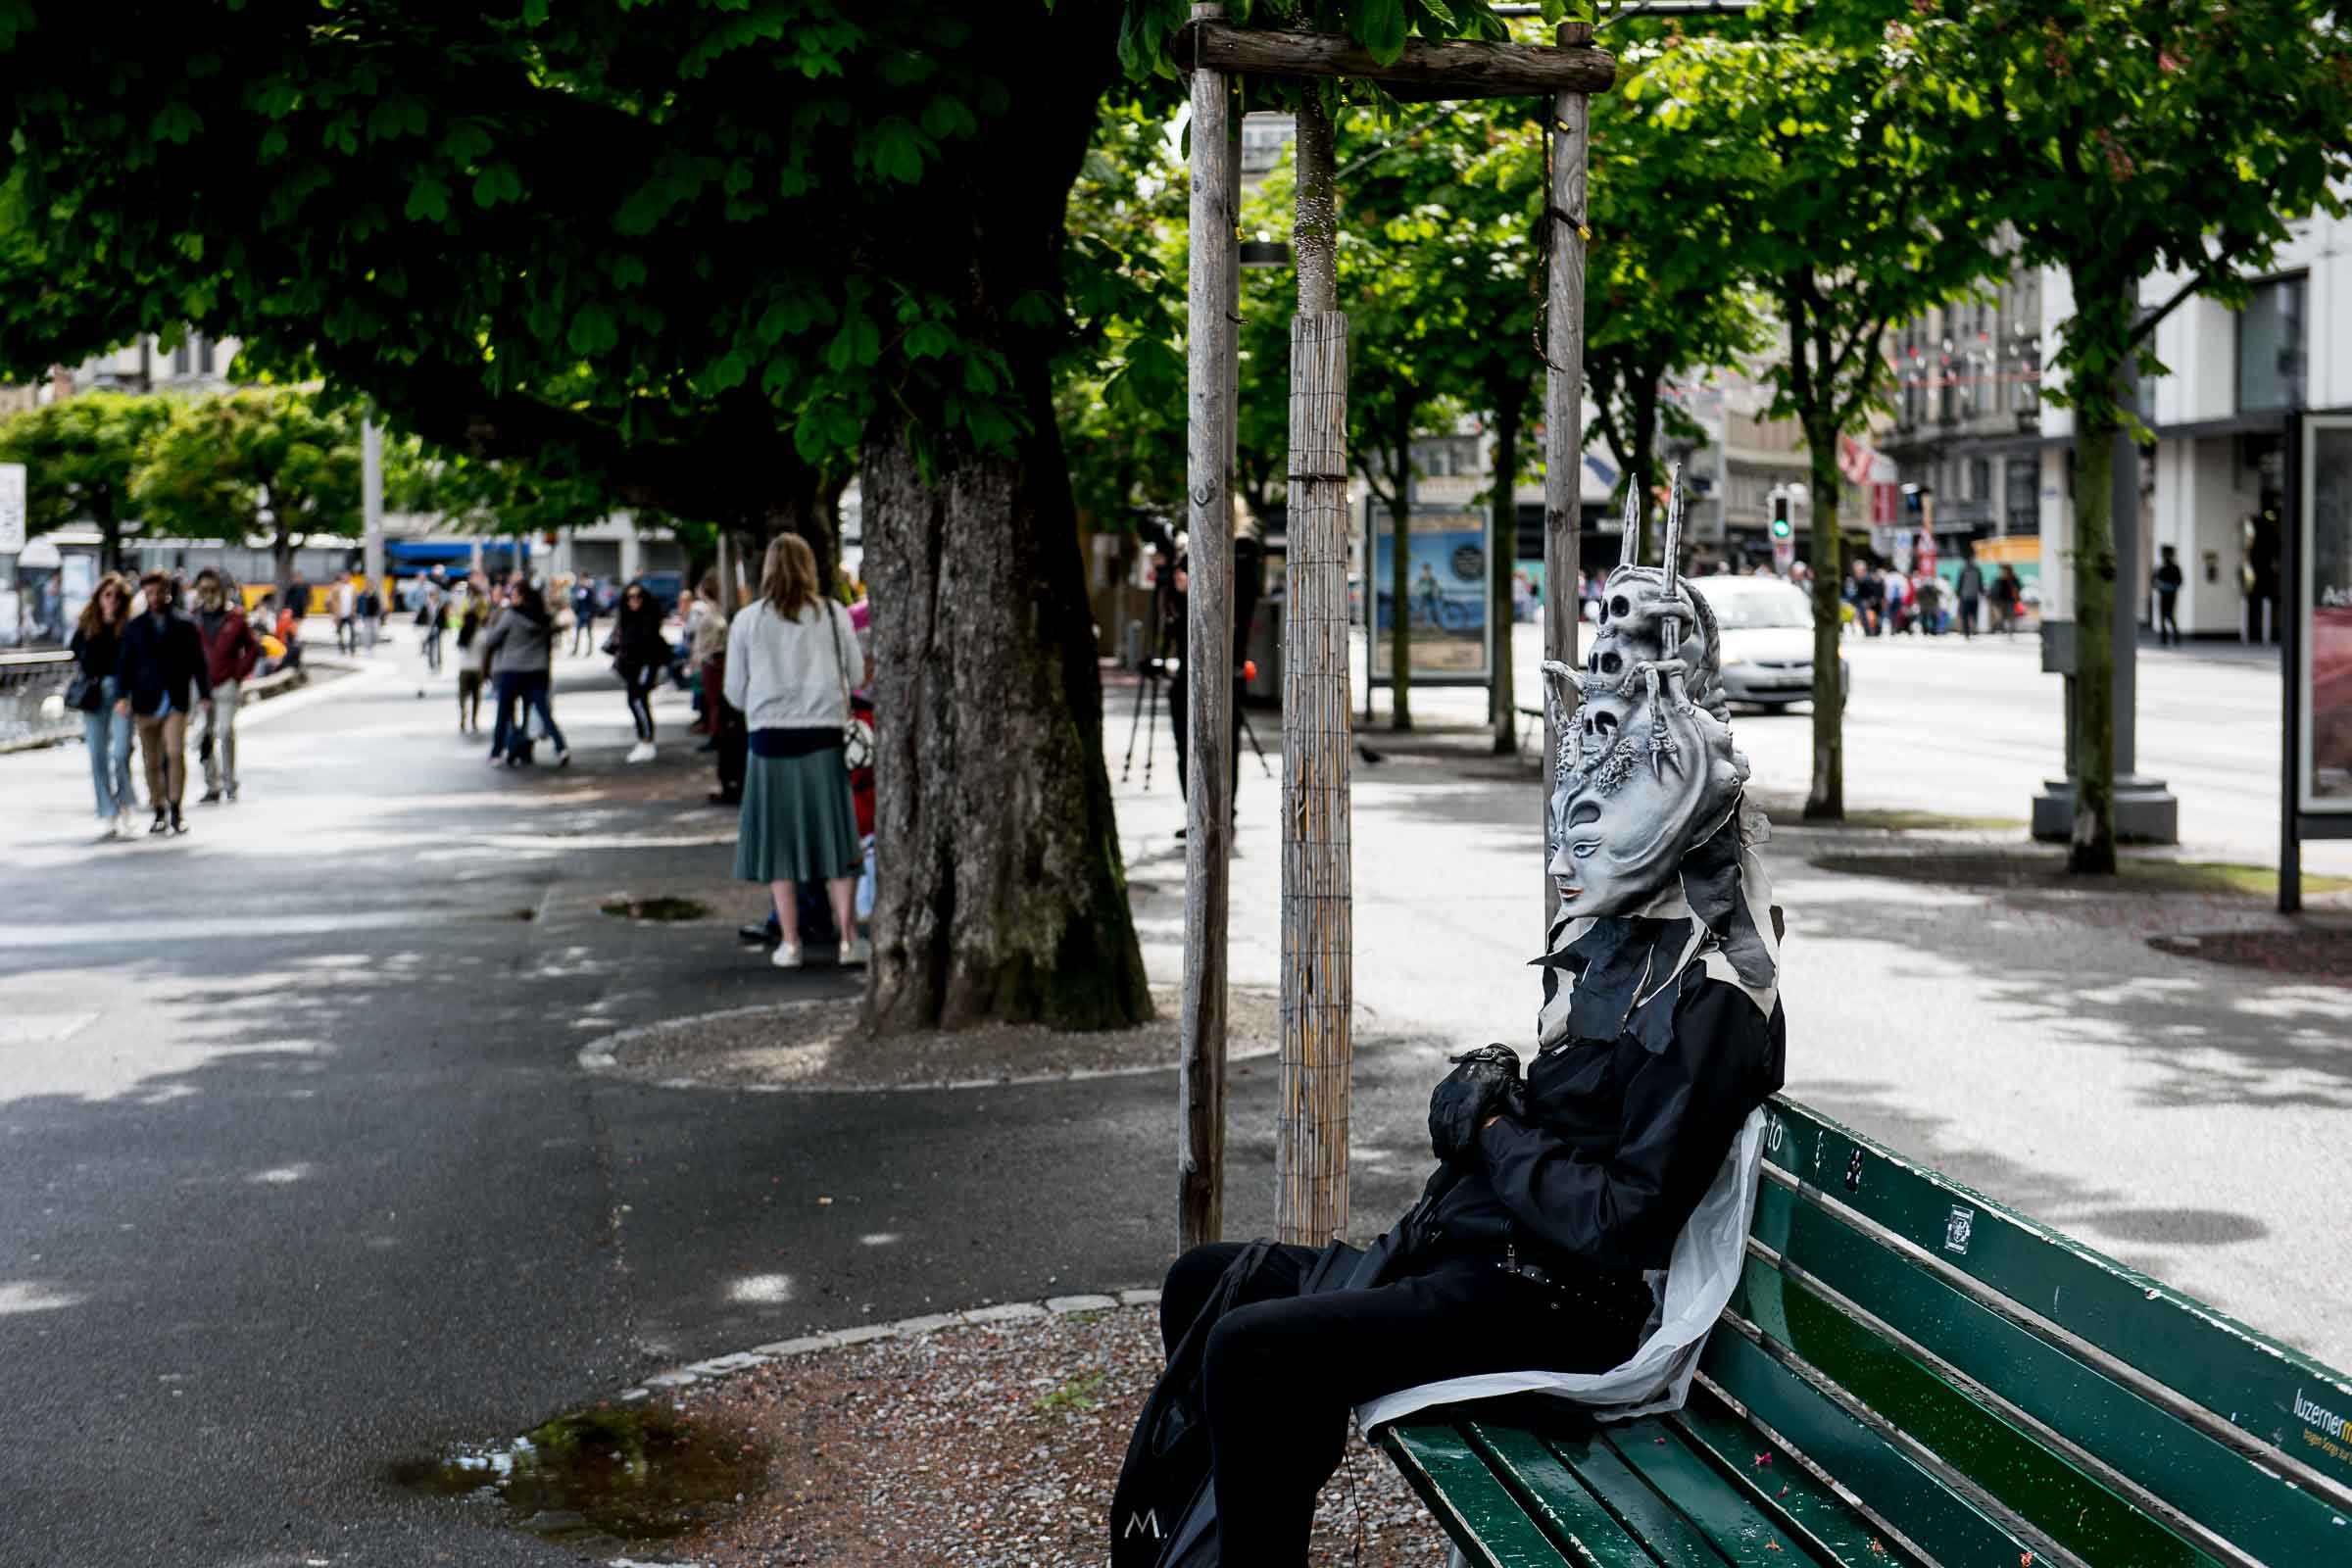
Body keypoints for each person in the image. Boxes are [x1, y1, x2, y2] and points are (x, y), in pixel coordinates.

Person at [1131, 479, 1784, 1564]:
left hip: (1555, 1304)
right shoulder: (1626, 939)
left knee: (1252, 1349)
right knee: (1205, 1284)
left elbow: (1622, 1218)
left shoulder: (1713, 991)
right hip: (1484, 1254)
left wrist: (1490, 1129)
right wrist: (1495, 1099)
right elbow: (1571, 1121)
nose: (1571, 838)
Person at [724, 534, 868, 970]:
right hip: (823, 736)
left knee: (778, 846)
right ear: (810, 567)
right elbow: (857, 675)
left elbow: (734, 691)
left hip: (769, 740)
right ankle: (847, 940)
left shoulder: (748, 621)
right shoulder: (831, 614)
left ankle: (790, 943)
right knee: (837, 841)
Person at [116, 570, 213, 836]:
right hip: (145, 700)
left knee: (174, 753)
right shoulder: (135, 627)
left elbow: (198, 662)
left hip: (175, 700)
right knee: (151, 759)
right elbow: (124, 664)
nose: (154, 597)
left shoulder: (185, 624)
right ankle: (158, 808)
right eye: (149, 593)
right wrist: (122, 696)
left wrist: (205, 694)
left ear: (168, 592)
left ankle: (176, 809)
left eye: (158, 592)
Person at [70, 571, 139, 837]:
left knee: (121, 752)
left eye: (117, 596)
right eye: (107, 595)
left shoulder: (129, 627)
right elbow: (77, 654)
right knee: (96, 755)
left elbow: (133, 662)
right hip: (95, 693)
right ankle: (107, 810)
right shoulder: (87, 625)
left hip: (121, 694)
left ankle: (127, 803)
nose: (112, 600)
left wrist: (127, 695)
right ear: (99, 597)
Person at [190, 567, 261, 805]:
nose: (208, 595)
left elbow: (253, 648)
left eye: (213, 590)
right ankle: (212, 784)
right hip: (201, 685)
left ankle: (230, 782)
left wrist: (239, 673)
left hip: (227, 682)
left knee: (225, 731)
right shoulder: (194, 618)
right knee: (203, 735)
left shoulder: (236, 618)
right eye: (204, 590)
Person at [483, 579, 567, 766]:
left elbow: (493, 638)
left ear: (522, 597)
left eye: (514, 595)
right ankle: (559, 747)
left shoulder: (510, 615)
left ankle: (497, 752)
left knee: (504, 714)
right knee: (540, 712)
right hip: (536, 671)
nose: (511, 598)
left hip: (511, 670)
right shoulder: (543, 617)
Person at [693, 570, 745, 806]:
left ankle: (716, 736)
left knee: (718, 708)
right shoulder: (717, 613)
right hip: (714, 664)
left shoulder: (714, 615)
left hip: (715, 664)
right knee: (717, 708)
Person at [612, 578, 668, 763]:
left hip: (644, 666)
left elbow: (650, 646)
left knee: (638, 700)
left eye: (637, 597)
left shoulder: (649, 619)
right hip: (631, 667)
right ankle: (644, 739)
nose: (634, 601)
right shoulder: (627, 619)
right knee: (635, 701)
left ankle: (647, 740)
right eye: (630, 597)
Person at [454, 581, 490, 734]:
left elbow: (458, 647)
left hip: (464, 668)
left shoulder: (463, 635)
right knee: (476, 696)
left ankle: (463, 718)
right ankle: (474, 720)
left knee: (463, 696)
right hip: (477, 669)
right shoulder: (481, 634)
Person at [2153, 545, 2184, 646]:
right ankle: (2164, 638)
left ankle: (2176, 636)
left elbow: (2179, 581)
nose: (2164, 556)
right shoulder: (2160, 567)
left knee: (2169, 615)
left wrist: (2170, 586)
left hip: (2171, 594)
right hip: (2163, 594)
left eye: (2166, 554)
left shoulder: (2175, 568)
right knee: (2163, 616)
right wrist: (2159, 585)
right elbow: (2153, 581)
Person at [418, 572, 448, 673]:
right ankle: (431, 666)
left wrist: (445, 628)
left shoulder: (440, 606)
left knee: (438, 647)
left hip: (437, 628)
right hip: (428, 629)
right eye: (432, 596)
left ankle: (439, 665)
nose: (434, 597)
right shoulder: (426, 606)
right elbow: (421, 617)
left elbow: (444, 618)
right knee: (430, 647)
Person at [1954, 551, 1984, 640]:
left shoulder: (1963, 570)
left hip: (1965, 596)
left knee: (1965, 615)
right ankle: (1972, 630)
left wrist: (1958, 593)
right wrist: (1981, 592)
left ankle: (1967, 632)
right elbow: (1980, 584)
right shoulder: (1977, 570)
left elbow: (1960, 583)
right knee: (1973, 614)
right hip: (1973, 596)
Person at [571, 574, 600, 658]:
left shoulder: (590, 590)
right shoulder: (579, 590)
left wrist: (592, 614)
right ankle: (575, 649)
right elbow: (577, 602)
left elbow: (593, 603)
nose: (582, 582)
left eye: (583, 580)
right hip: (580, 614)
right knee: (577, 632)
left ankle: (589, 650)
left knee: (589, 633)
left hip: (588, 614)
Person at [1990, 564, 2022, 636]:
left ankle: (2009, 631)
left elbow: (2018, 588)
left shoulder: (2013, 579)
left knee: (2010, 616)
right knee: (2001, 617)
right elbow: (1994, 590)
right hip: (2000, 601)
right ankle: (2001, 629)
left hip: (2010, 600)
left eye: (2005, 570)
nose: (2003, 572)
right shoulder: (1998, 579)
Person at [356, 578, 382, 654]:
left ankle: (372, 644)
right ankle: (368, 648)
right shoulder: (362, 595)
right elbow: (358, 605)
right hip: (366, 617)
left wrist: (381, 614)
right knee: (367, 633)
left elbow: (379, 605)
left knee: (376, 633)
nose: (370, 586)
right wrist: (358, 615)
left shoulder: (376, 594)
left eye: (371, 584)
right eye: (368, 584)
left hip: (375, 617)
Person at [333, 573, 356, 654]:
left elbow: (354, 601)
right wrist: (335, 614)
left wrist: (354, 612)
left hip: (350, 614)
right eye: (344, 577)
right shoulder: (337, 587)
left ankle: (352, 648)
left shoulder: (352, 587)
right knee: (340, 633)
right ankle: (341, 648)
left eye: (347, 577)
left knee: (352, 632)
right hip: (340, 614)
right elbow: (333, 600)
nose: (346, 579)